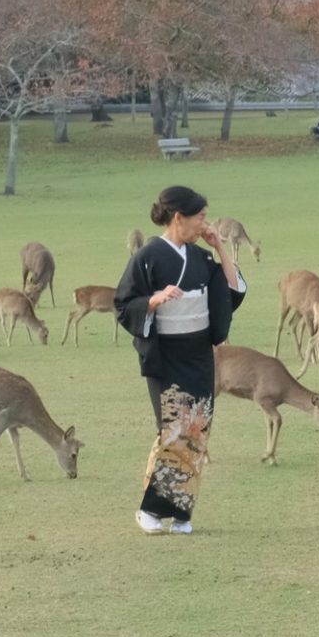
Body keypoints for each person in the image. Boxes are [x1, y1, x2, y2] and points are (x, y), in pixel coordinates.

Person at [115, 185, 247, 536]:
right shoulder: (147, 256)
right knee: (174, 430)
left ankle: (182, 514)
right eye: (201, 217)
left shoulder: (202, 258)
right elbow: (125, 305)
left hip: (200, 357)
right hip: (166, 357)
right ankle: (151, 510)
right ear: (179, 217)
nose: (206, 223)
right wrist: (155, 300)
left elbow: (231, 292)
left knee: (197, 430)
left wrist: (219, 246)